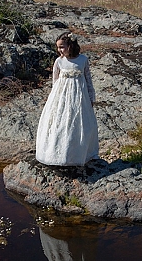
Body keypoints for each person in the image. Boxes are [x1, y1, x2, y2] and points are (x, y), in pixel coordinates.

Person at [35, 32, 99, 166]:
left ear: (70, 45)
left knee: (78, 123)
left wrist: (91, 97)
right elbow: (55, 81)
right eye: (58, 47)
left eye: (62, 47)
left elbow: (88, 80)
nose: (59, 50)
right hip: (62, 97)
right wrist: (54, 100)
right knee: (61, 123)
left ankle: (78, 154)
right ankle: (57, 154)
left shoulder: (83, 60)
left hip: (79, 97)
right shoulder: (59, 61)